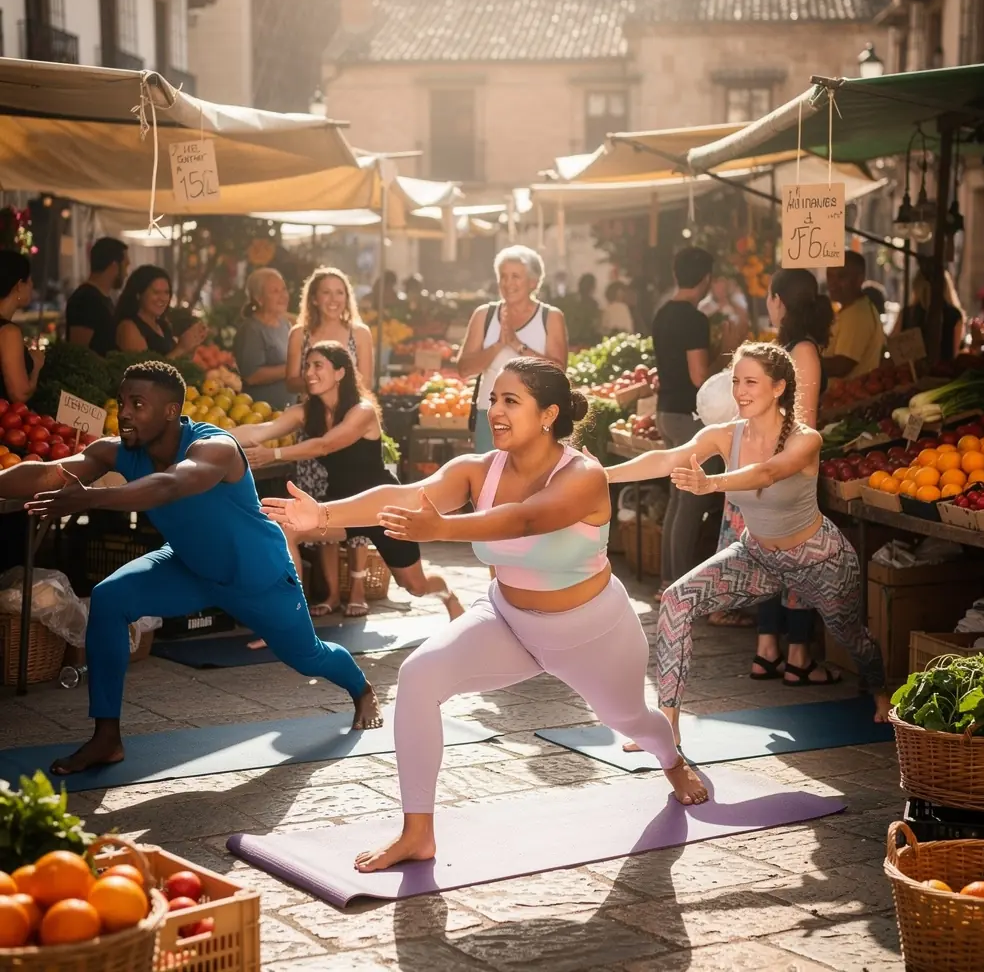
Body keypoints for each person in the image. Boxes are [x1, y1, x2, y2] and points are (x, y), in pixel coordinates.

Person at [262, 357, 705, 871]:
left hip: (594, 632)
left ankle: (671, 760)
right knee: (418, 676)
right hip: (509, 621)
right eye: (493, 398)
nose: (494, 410)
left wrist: (441, 530)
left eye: (510, 400)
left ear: (548, 414)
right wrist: (324, 515)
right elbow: (402, 496)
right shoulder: (478, 469)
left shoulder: (583, 476)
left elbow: (524, 520)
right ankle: (418, 833)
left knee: (630, 719)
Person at [4, 361, 380, 776]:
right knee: (110, 598)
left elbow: (171, 485)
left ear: (170, 411)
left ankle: (361, 690)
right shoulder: (119, 451)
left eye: (138, 403)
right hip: (188, 565)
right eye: (123, 402)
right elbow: (48, 472)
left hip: (256, 576)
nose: (125, 412)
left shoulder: (215, 446)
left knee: (307, 657)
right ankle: (106, 738)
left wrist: (91, 498)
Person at [607, 342, 889, 750]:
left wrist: (713, 483)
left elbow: (770, 472)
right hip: (757, 556)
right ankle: (667, 725)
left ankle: (880, 692)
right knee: (675, 600)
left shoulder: (805, 438)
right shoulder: (724, 434)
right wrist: (600, 474)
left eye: (751, 382)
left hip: (819, 560)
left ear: (778, 388)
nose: (739, 390)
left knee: (851, 637)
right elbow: (670, 458)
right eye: (736, 380)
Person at [233, 341, 463, 630]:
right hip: (342, 507)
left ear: (340, 372)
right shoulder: (305, 412)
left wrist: (274, 454)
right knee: (287, 530)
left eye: (318, 365)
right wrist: (204, 434)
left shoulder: (362, 411)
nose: (310, 372)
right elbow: (259, 430)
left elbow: (327, 445)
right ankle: (294, 623)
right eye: (307, 366)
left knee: (414, 585)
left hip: (383, 507)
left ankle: (449, 596)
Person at [739, 269, 840, 685]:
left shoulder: (790, 350)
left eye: (768, 296)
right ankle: (793, 655)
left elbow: (800, 419)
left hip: (775, 467)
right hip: (783, 469)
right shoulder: (801, 350)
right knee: (792, 560)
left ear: (779, 301)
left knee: (775, 559)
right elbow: (806, 422)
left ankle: (773, 651)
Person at [651, 247, 719, 602]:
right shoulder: (695, 319)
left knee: (679, 500)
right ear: (705, 278)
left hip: (665, 413)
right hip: (686, 418)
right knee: (690, 502)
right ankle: (679, 587)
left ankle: (667, 581)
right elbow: (698, 377)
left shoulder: (663, 313)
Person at [456, 246, 568, 453]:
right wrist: (499, 344)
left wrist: (518, 345)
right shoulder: (484, 315)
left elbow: (558, 371)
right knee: (489, 481)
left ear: (533, 282)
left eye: (515, 276)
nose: (508, 283)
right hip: (490, 415)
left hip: (534, 419)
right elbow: (464, 369)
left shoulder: (550, 317)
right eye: (503, 276)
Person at [286, 268, 373, 394]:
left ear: (347, 298)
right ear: (314, 299)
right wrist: (322, 383)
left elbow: (366, 386)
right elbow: (291, 383)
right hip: (310, 410)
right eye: (326, 292)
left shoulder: (360, 333)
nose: (334, 299)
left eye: (339, 293)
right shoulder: (299, 334)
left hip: (349, 411)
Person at [233, 268, 296, 412]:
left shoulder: (285, 324)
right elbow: (251, 376)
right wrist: (293, 368)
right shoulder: (251, 330)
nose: (283, 296)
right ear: (259, 298)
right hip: (259, 414)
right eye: (275, 291)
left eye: (284, 289)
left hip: (285, 412)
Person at [113, 265, 208, 359]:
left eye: (166, 292)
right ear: (138, 294)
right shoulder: (128, 328)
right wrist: (181, 348)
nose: (162, 298)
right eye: (156, 292)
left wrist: (192, 344)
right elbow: (145, 372)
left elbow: (177, 362)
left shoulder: (162, 325)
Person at [822, 250, 885, 378]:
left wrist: (802, 361)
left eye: (841, 276)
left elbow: (841, 366)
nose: (832, 283)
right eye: (829, 275)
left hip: (848, 395)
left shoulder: (857, 315)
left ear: (859, 279)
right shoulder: (851, 310)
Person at [66, 237, 129, 357]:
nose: (126, 273)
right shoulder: (86, 300)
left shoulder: (102, 298)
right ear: (114, 266)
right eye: (125, 266)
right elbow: (78, 351)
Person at [0, 250, 43, 404]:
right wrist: (37, 365)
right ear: (19, 285)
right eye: (29, 281)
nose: (32, 286)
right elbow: (20, 394)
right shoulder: (8, 332)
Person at [898, 265, 965, 363]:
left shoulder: (907, 313)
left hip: (910, 374)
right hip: (944, 374)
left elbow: (893, 344)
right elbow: (954, 353)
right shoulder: (954, 315)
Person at [698, 275, 750, 344]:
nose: (720, 287)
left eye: (723, 283)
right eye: (716, 283)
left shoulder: (736, 306)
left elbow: (745, 323)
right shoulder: (703, 306)